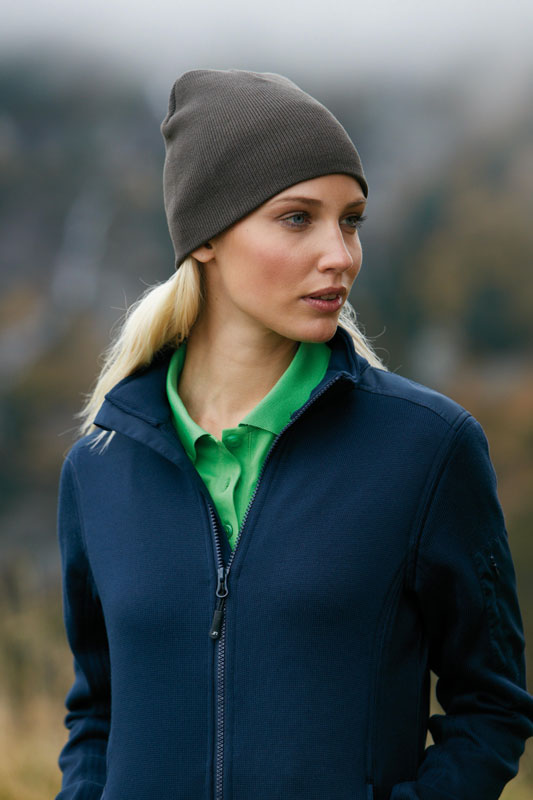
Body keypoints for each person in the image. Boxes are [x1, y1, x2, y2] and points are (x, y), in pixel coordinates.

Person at [55, 69, 533, 800]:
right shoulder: (100, 466)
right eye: (298, 218)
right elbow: (97, 712)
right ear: (206, 236)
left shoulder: (428, 450)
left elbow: (491, 707)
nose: (340, 254)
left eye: (351, 220)